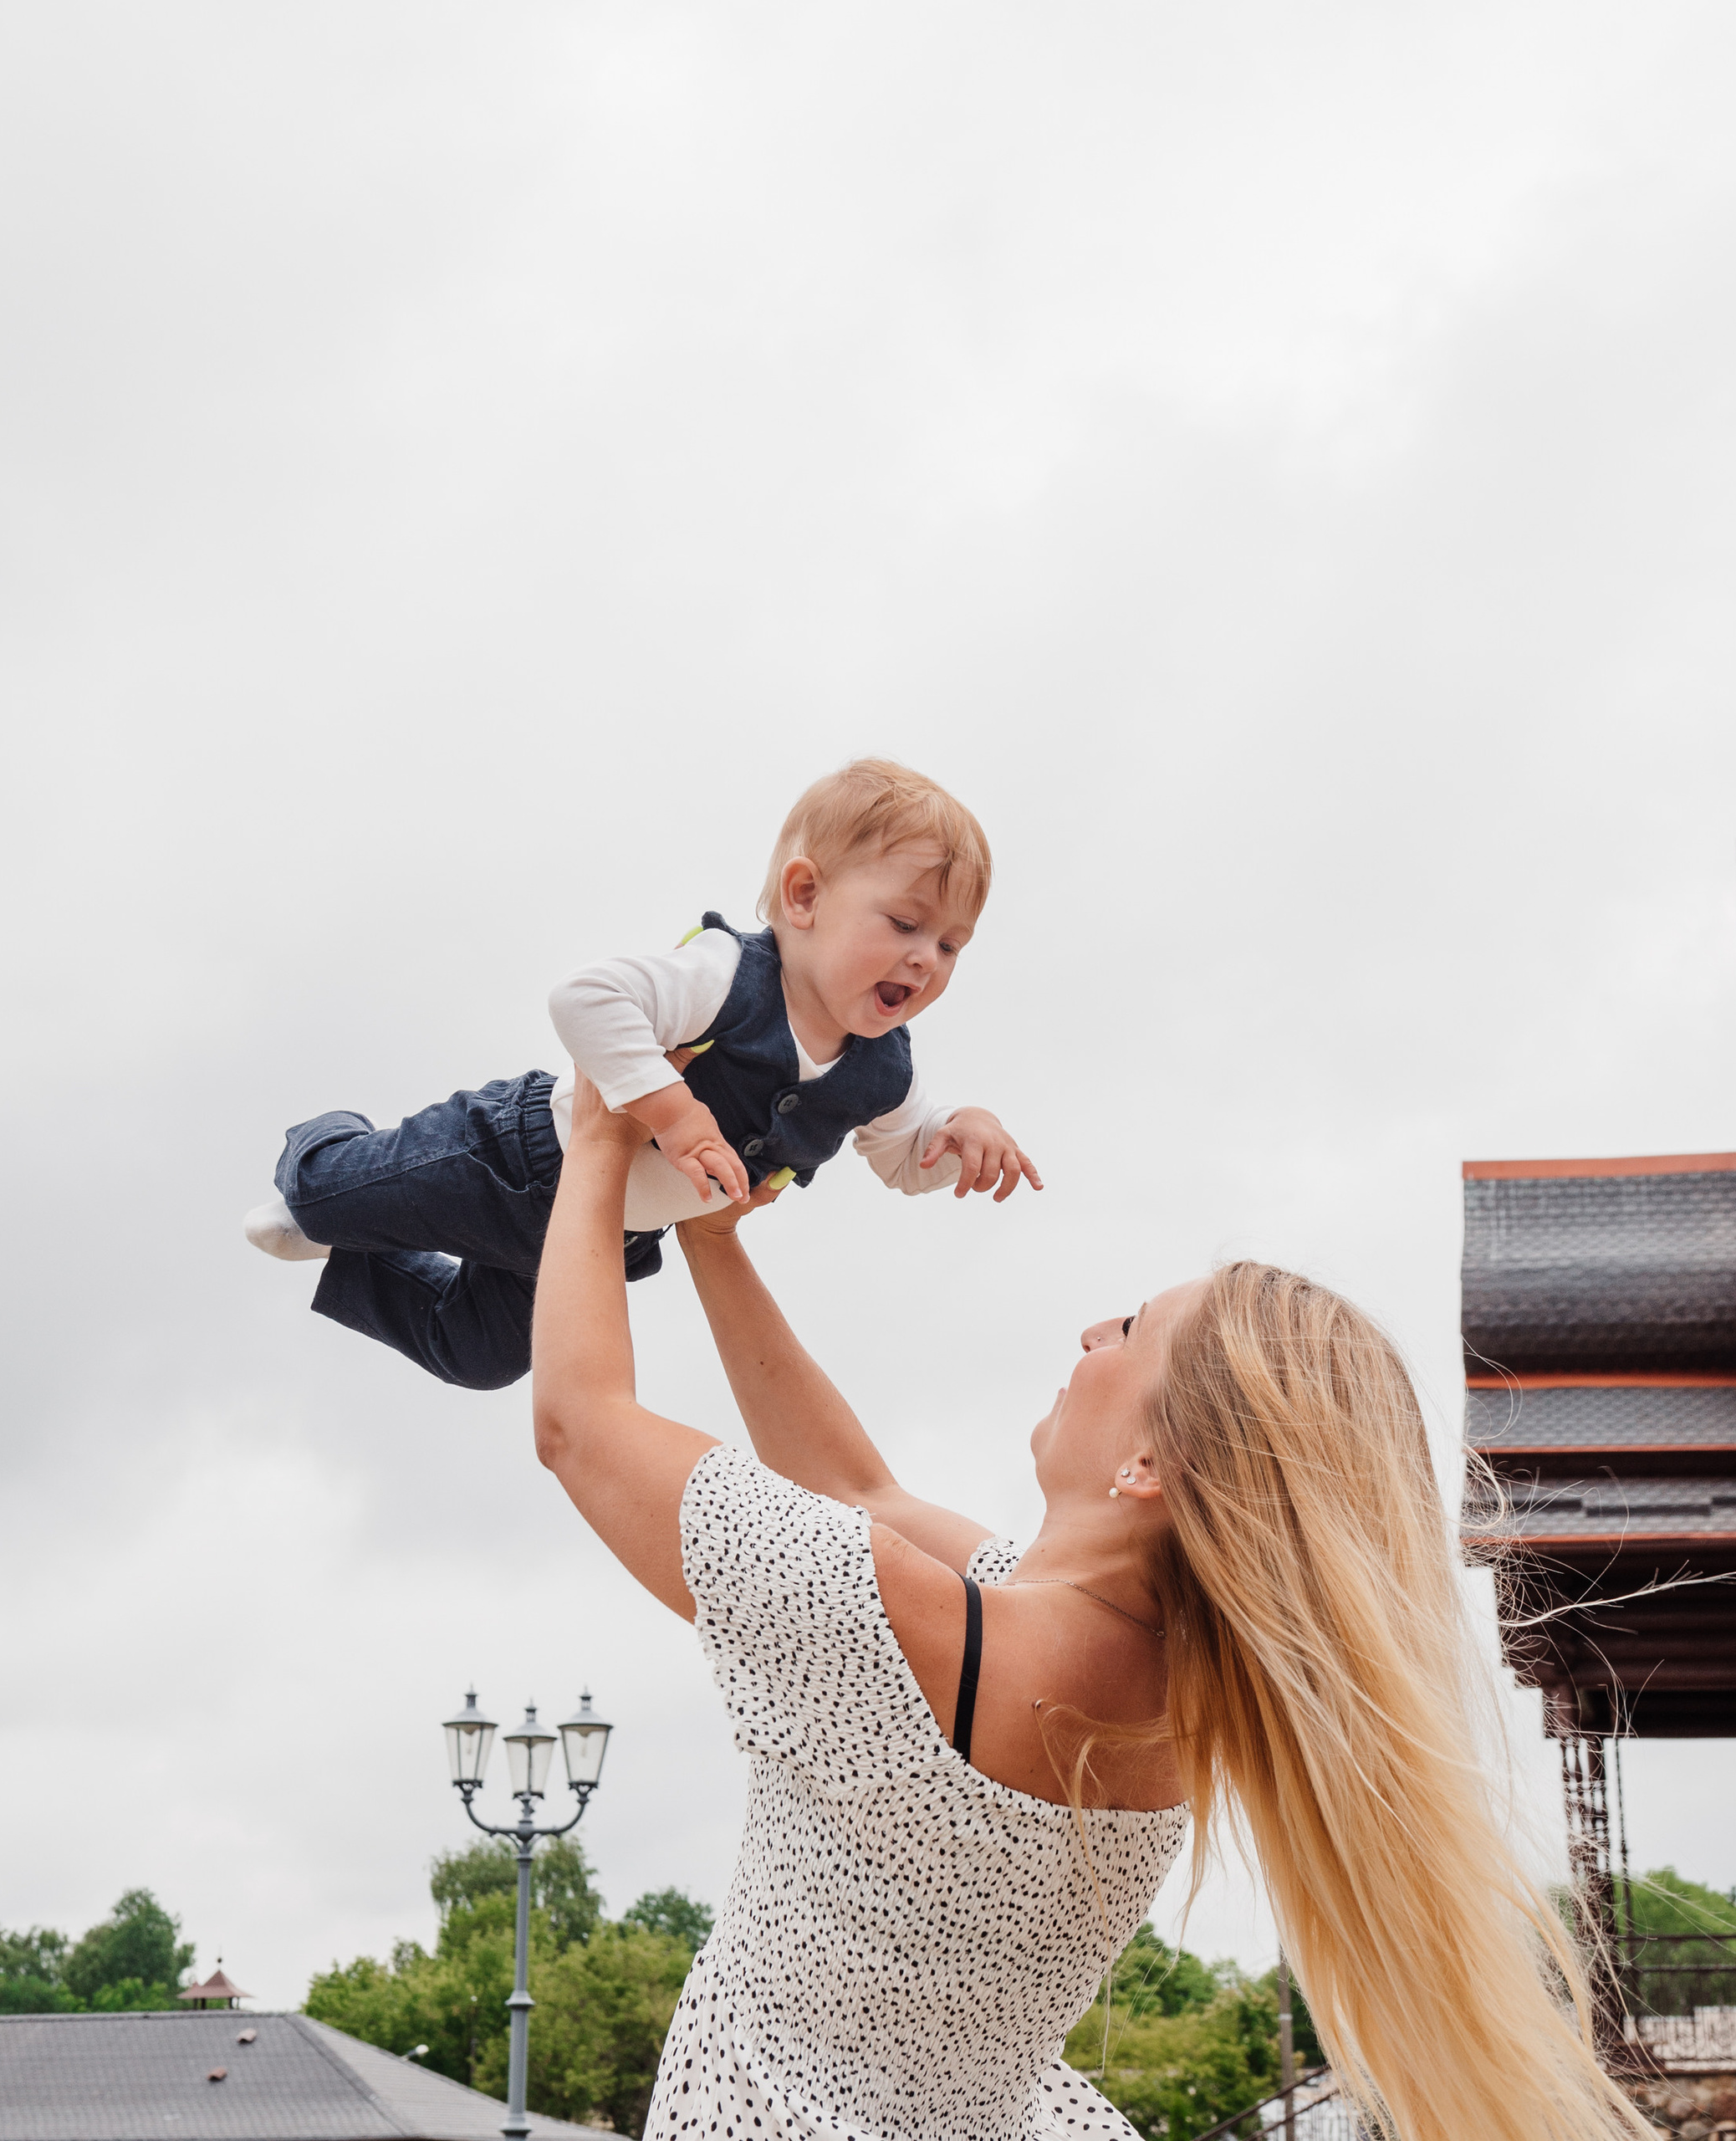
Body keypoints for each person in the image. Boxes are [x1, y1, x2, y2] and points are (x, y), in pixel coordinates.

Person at [528, 1076, 1657, 2141]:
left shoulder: (899, 1622)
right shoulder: (1176, 1708)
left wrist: (597, 1137)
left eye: (1125, 1329)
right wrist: (710, 1242)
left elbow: (578, 1420)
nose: (1087, 1338)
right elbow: (859, 1491)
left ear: (1150, 1466)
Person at [240, 759, 1038, 1388]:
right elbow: (585, 998)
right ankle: (325, 1154)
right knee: (320, 1191)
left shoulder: (882, 1072)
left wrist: (957, 1138)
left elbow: (903, 1159)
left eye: (950, 945)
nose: (925, 959)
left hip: (607, 1236)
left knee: (474, 1354)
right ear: (804, 897)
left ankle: (349, 1251)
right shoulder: (729, 974)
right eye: (905, 923)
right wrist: (674, 1110)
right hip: (519, 1162)